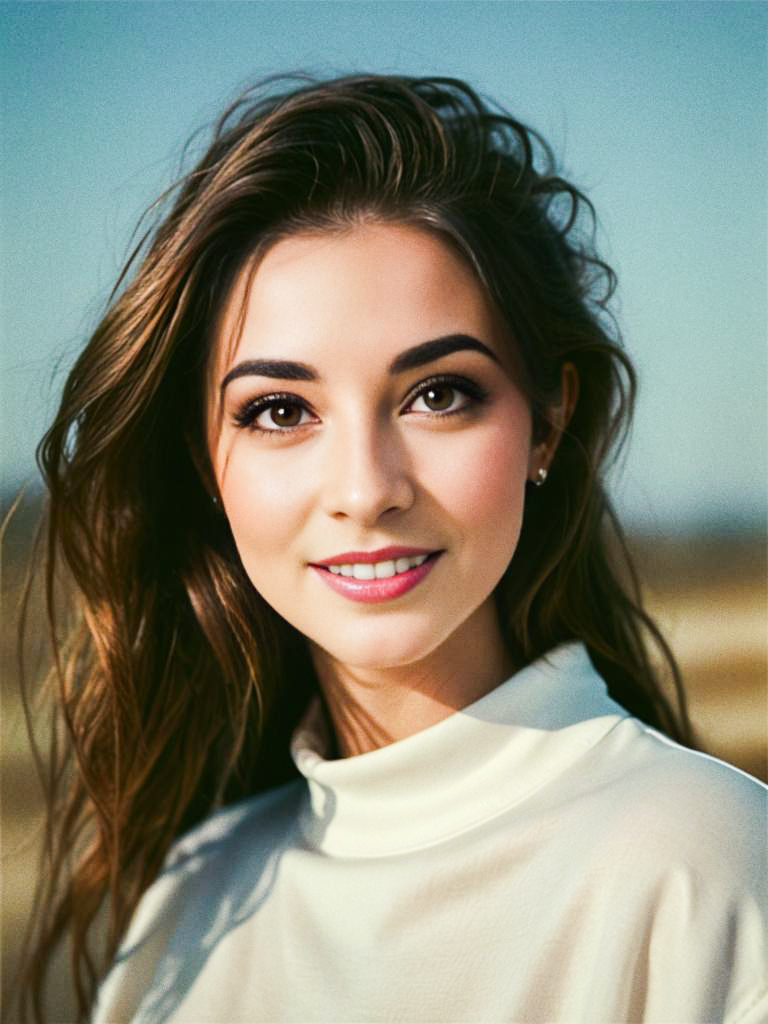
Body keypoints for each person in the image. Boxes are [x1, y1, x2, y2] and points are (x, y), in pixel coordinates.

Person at [19, 73, 766, 1024]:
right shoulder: (190, 906)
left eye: (438, 393)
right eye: (280, 411)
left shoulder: (710, 869)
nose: (367, 490)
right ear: (207, 464)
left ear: (548, 421)